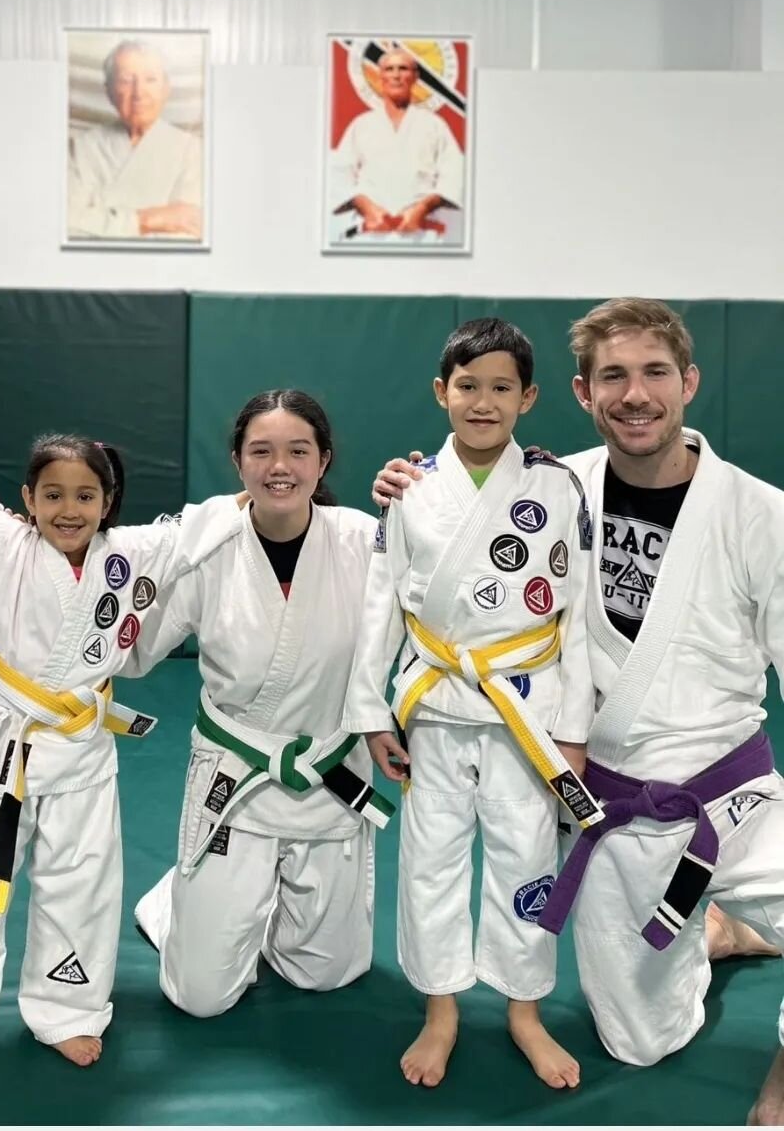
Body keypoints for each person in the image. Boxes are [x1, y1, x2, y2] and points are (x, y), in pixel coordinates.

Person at [374, 298, 784, 1126]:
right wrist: (404, 482)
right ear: (582, 392)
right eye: (613, 377)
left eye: (655, 373)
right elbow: (431, 551)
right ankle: (720, 935)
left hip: (729, 789)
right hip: (610, 804)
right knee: (639, 1040)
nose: (636, 394)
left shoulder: (760, 514)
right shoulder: (555, 484)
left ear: (690, 382)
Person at [0, 431, 245, 1099]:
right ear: (27, 499)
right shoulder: (4, 545)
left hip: (84, 750)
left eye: (85, 495)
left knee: (82, 887)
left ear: (108, 500)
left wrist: (266, 483)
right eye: (53, 494)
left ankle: (65, 1011)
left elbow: (209, 522)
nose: (69, 509)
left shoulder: (134, 553)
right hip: (7, 751)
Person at [344, 318, 594, 1091]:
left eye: (501, 388)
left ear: (529, 397)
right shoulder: (412, 488)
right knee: (430, 862)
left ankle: (523, 1008)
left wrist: (576, 728)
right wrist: (372, 711)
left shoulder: (557, 486)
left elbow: (577, 614)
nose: (483, 403)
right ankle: (441, 1006)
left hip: (528, 707)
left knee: (527, 857)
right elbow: (381, 605)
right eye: (467, 387)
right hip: (437, 703)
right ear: (440, 392)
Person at [129, 390, 393, 1019]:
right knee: (200, 996)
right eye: (262, 451)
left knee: (325, 974)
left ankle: (256, 904)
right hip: (237, 776)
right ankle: (177, 903)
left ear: (322, 461)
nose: (281, 466)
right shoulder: (208, 546)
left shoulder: (364, 540)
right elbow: (135, 651)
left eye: (298, 451)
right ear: (237, 462)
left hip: (328, 774)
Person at [67, 39, 203, 241]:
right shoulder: (82, 147)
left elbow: (188, 233)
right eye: (126, 81)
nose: (139, 93)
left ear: (166, 89)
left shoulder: (191, 150)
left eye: (150, 79)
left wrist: (101, 217)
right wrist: (146, 220)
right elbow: (68, 225)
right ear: (109, 91)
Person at [328, 46, 465, 245]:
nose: (396, 75)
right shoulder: (362, 125)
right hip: (370, 232)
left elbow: (454, 175)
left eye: (403, 69)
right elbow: (339, 174)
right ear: (380, 76)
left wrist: (422, 208)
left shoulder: (434, 125)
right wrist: (367, 208)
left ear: (416, 77)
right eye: (389, 69)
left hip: (421, 233)